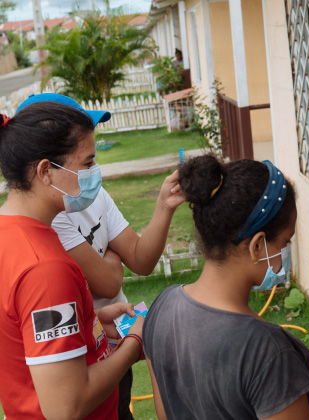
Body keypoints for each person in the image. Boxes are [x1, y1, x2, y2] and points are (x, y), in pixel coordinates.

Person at [143, 155, 309, 419]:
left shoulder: (161, 308)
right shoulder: (268, 352)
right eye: (284, 243)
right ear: (257, 246)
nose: (284, 254)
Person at [11, 93, 185, 420]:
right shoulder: (46, 268)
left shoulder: (16, 236)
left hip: (99, 357)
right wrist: (136, 339)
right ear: (46, 170)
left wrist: (91, 322)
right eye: (88, 162)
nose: (95, 172)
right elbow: (67, 406)